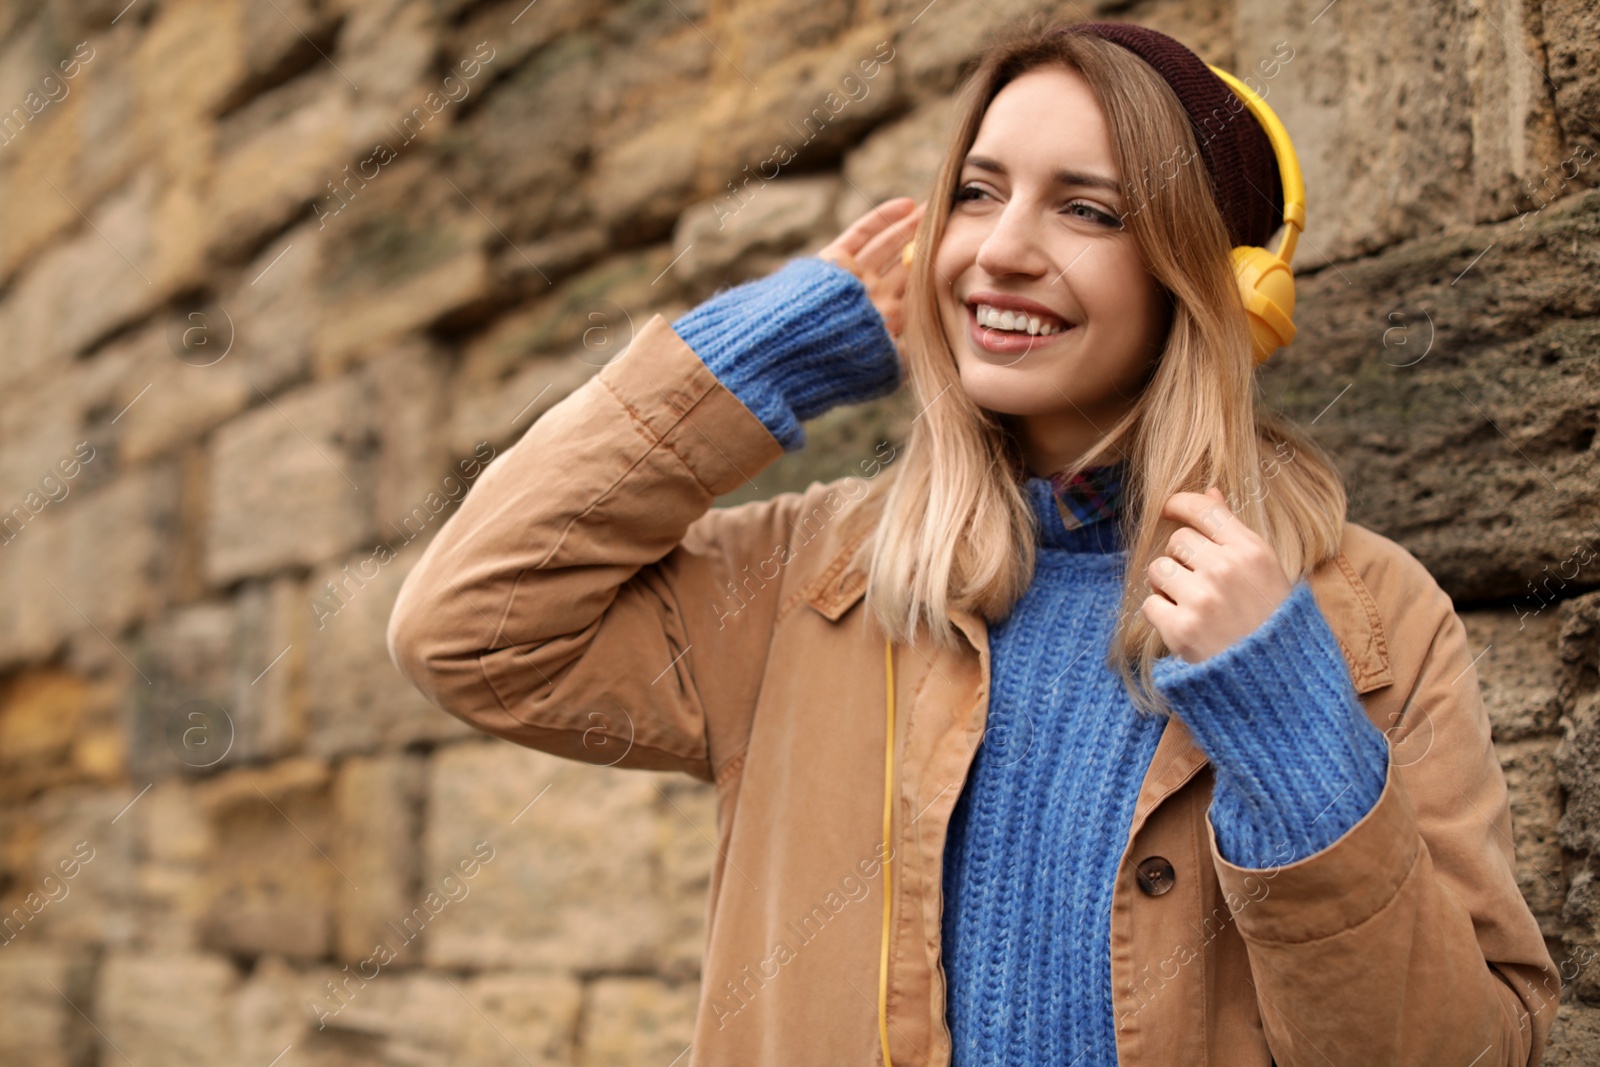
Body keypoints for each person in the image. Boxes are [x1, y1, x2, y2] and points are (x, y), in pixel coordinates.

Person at [386, 17, 1561, 1067]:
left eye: (1087, 209)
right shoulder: (813, 579)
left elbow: (1467, 1048)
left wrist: (1296, 733)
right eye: (979, 192)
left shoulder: (1366, 619)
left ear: (1217, 284)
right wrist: (762, 360)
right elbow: (475, 628)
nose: (1000, 248)